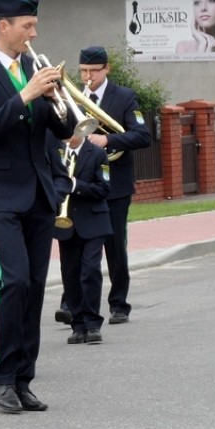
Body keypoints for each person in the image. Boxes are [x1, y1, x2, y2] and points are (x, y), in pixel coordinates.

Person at [0, 0, 73, 413]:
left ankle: (24, 380)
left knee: (36, 288)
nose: (34, 33)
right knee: (14, 281)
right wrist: (25, 96)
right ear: (4, 26)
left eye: (34, 26)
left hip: (40, 193)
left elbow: (62, 131)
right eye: (27, 26)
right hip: (1, 194)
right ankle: (0, 376)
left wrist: (58, 102)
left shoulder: (33, 67)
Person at [78, 46, 151, 325]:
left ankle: (119, 303)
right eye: (83, 71)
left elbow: (142, 135)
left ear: (106, 68)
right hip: (81, 184)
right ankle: (74, 304)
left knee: (114, 245)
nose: (88, 77)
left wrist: (107, 140)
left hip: (115, 184)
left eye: (93, 71)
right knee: (78, 245)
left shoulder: (124, 97)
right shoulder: (75, 99)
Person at [50, 132, 111, 344]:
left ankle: (93, 323)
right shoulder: (57, 154)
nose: (66, 135)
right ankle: (78, 325)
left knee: (90, 271)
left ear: (82, 130)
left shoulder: (97, 154)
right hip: (66, 224)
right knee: (70, 275)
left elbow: (104, 188)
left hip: (94, 222)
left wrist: (76, 185)